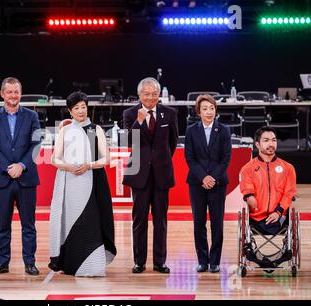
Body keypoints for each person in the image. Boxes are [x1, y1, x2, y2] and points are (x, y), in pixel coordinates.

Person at [49, 91, 116, 277]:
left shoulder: (97, 129)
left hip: (95, 182)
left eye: (83, 107)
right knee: (72, 222)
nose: (81, 111)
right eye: (76, 108)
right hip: (70, 184)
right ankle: (70, 263)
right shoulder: (65, 130)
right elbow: (54, 159)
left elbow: (107, 159)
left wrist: (89, 165)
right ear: (70, 111)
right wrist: (69, 167)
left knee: (94, 221)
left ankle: (94, 264)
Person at [0, 77, 41, 276]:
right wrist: (9, 167)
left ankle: (30, 262)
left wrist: (22, 165)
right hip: (2, 178)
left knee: (29, 225)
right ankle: (2, 262)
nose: (13, 96)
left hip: (26, 178)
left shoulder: (32, 116)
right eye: (9, 92)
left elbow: (36, 145)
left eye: (16, 92)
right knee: (3, 225)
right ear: (2, 94)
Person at [122, 77, 178, 274]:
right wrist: (139, 120)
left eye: (154, 94)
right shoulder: (129, 113)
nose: (151, 97)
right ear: (139, 95)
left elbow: (172, 143)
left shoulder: (169, 113)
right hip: (139, 174)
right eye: (146, 94)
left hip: (162, 173)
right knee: (139, 220)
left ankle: (160, 261)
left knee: (160, 220)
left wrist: (159, 161)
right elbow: (128, 140)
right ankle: (139, 261)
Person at [184, 95, 231, 273]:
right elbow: (189, 157)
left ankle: (215, 261)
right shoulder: (191, 130)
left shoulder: (224, 130)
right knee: (199, 222)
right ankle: (202, 261)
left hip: (218, 183)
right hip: (196, 183)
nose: (209, 112)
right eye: (205, 108)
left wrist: (212, 178)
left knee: (217, 223)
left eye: (211, 108)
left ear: (215, 110)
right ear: (199, 112)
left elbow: (226, 159)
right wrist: (203, 177)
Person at [240, 126, 296, 235]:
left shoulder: (288, 168)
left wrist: (278, 212)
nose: (271, 144)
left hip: (279, 217)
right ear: (257, 144)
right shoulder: (247, 169)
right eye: (266, 140)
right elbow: (247, 191)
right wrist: (250, 198)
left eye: (273, 140)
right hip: (255, 218)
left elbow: (289, 193)